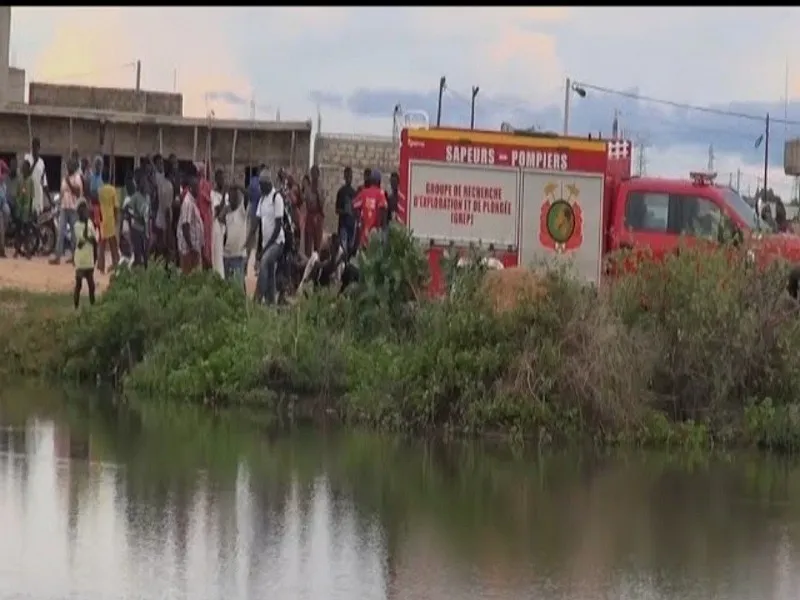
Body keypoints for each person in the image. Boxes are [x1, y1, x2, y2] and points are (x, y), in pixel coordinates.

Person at [249, 171, 285, 304]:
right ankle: (271, 303)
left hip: (277, 242)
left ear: (267, 183)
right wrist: (258, 247)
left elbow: (278, 227)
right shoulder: (262, 200)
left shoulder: (277, 198)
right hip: (266, 244)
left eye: (261, 185)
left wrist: (267, 247)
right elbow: (258, 225)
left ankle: (257, 299)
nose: (260, 188)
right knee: (269, 272)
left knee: (264, 262)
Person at [50, 158, 83, 265]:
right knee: (61, 232)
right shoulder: (65, 178)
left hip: (73, 208)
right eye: (67, 166)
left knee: (74, 234)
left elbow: (78, 193)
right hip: (64, 207)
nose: (68, 168)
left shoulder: (77, 178)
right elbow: (62, 192)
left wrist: (69, 182)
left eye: (70, 166)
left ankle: (75, 257)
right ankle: (58, 256)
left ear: (74, 167)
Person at [352, 169, 388, 250]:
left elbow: (353, 205)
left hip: (364, 234)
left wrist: (359, 219)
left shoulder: (364, 193)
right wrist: (383, 228)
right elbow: (383, 210)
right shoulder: (380, 193)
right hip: (375, 234)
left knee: (363, 258)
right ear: (379, 181)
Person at [177, 170, 204, 274]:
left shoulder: (192, 201)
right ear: (191, 188)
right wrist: (191, 246)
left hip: (193, 247)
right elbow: (185, 226)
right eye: (197, 188)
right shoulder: (188, 203)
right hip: (188, 249)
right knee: (188, 275)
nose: (199, 190)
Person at [73, 199, 98, 310]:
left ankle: (93, 305)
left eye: (86, 210)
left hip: (89, 259)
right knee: (79, 285)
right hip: (81, 260)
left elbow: (94, 239)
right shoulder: (77, 225)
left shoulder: (90, 223)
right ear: (79, 213)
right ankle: (76, 306)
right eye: (83, 211)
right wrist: (90, 236)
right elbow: (83, 239)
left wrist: (95, 255)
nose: (86, 213)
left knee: (91, 286)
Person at [222, 186, 248, 290]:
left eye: (235, 196)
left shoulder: (242, 211)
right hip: (227, 255)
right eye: (231, 197)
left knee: (238, 285)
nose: (233, 199)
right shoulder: (227, 213)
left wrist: (238, 186)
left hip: (238, 255)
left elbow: (247, 195)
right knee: (228, 286)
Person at [126, 168, 150, 267]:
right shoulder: (135, 196)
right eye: (143, 182)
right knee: (138, 253)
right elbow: (127, 210)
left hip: (146, 229)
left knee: (146, 254)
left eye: (146, 182)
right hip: (136, 229)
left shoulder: (148, 197)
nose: (146, 184)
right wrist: (136, 217)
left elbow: (148, 213)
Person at [96, 172, 120, 273]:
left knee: (102, 243)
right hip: (110, 218)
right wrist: (116, 218)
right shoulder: (112, 190)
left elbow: (98, 205)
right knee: (113, 243)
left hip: (102, 219)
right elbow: (115, 206)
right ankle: (116, 263)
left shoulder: (99, 190)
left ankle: (101, 266)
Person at [153, 154, 175, 261]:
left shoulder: (162, 183)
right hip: (165, 221)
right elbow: (167, 209)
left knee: (159, 246)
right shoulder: (169, 186)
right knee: (166, 248)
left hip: (159, 217)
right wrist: (168, 228)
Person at [13, 159, 36, 259]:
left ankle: (27, 251)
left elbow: (31, 197)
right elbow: (17, 194)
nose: (22, 169)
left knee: (26, 232)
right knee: (18, 231)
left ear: (28, 168)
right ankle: (17, 251)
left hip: (27, 209)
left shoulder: (31, 180)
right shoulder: (19, 179)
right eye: (22, 167)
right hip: (19, 208)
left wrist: (31, 210)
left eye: (24, 167)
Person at [195, 162, 213, 270]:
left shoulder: (205, 185)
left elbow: (209, 199)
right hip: (199, 218)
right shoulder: (198, 185)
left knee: (205, 245)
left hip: (204, 218)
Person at [304, 165, 325, 258]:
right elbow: (308, 204)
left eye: (316, 174)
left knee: (318, 242)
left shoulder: (321, 188)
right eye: (312, 174)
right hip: (310, 216)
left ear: (319, 175)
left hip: (318, 216)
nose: (314, 176)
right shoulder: (308, 189)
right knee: (308, 242)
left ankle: (316, 262)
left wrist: (317, 193)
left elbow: (322, 203)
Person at [24, 137, 49, 214]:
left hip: (38, 193)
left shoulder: (41, 162)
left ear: (39, 148)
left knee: (37, 217)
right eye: (33, 147)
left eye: (37, 147)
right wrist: (34, 162)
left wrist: (50, 200)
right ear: (32, 147)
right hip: (28, 192)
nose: (35, 149)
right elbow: (26, 174)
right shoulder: (27, 158)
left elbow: (44, 182)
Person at [210, 168, 227, 278]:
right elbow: (217, 211)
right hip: (216, 227)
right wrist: (224, 195)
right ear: (216, 180)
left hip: (224, 228)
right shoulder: (213, 194)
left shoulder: (226, 195)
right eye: (220, 179)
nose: (222, 181)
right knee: (217, 256)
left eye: (223, 178)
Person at [335, 166, 356, 254]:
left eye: (350, 177)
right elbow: (336, 210)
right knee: (343, 249)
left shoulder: (354, 192)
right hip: (343, 225)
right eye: (347, 177)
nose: (349, 179)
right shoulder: (341, 192)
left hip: (351, 225)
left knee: (350, 248)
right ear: (344, 177)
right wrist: (345, 211)